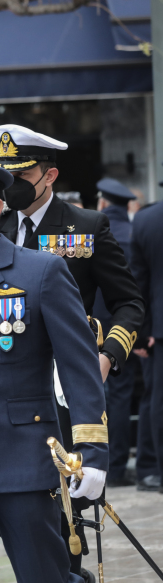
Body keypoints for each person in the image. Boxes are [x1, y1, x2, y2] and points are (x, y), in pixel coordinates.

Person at [0, 126, 143, 583]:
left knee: (46, 577)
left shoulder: (45, 269)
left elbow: (81, 364)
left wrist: (93, 453)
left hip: (23, 460)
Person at [93, 179, 138, 487]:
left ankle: (102, 463)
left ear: (103, 204)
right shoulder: (136, 233)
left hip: (95, 325)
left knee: (95, 397)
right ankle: (119, 465)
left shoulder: (95, 234)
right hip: (130, 328)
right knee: (124, 397)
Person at [130, 194, 163, 493]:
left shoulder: (146, 219)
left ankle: (154, 469)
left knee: (157, 400)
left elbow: (138, 283)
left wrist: (142, 331)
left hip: (159, 331)